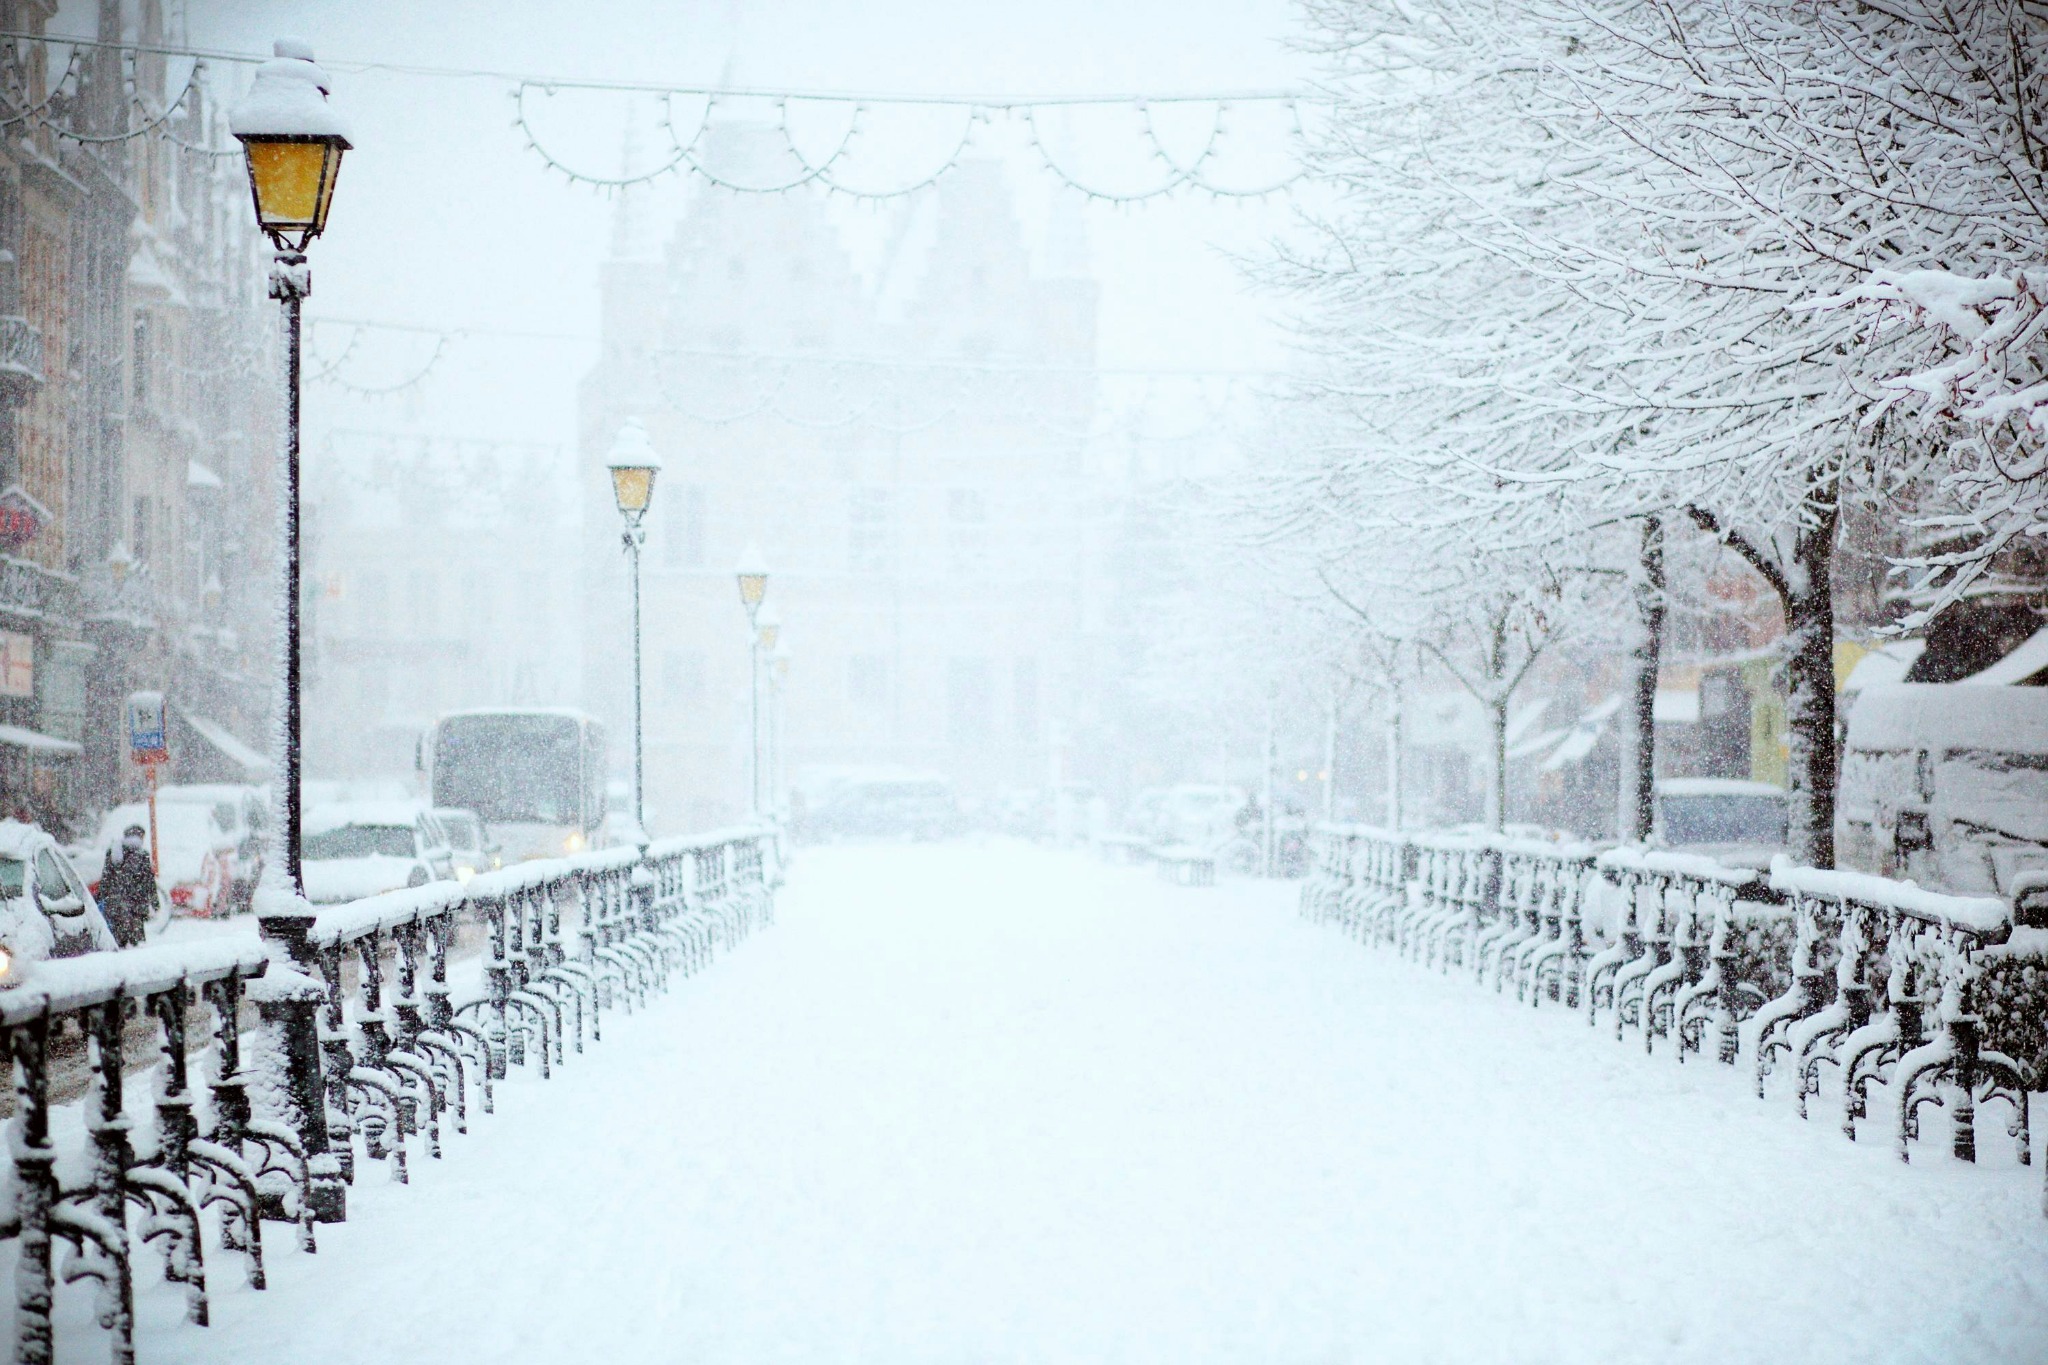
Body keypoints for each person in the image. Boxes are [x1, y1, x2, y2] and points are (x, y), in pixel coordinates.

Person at [98, 824, 155, 948]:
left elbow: (106, 877)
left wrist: (101, 896)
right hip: (137, 905)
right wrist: (154, 902)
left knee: (118, 938)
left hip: (115, 903)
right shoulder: (142, 854)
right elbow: (149, 881)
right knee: (137, 942)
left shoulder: (113, 851)